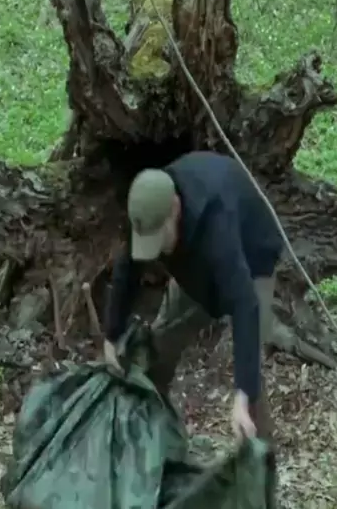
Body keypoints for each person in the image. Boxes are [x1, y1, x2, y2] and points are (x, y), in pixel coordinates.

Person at [103, 151, 283, 441]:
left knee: (249, 376)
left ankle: (258, 453)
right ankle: (151, 435)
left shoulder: (217, 224)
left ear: (175, 209)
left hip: (253, 261)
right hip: (195, 266)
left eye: (158, 240)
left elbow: (245, 303)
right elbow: (128, 266)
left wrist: (241, 396)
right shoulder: (149, 206)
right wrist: (112, 334)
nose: (156, 250)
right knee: (161, 341)